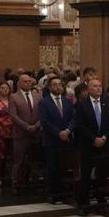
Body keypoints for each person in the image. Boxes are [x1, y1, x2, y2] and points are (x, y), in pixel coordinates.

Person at [71, 78, 109, 216]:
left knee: (102, 174)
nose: (98, 88)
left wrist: (104, 137)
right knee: (85, 174)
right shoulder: (81, 105)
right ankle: (83, 204)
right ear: (88, 89)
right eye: (95, 86)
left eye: (100, 86)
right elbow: (79, 125)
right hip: (87, 145)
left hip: (103, 144)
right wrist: (93, 139)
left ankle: (101, 202)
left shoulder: (106, 103)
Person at [38, 76, 74, 205]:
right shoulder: (44, 102)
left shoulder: (67, 101)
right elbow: (45, 122)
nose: (58, 87)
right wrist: (58, 133)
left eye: (60, 84)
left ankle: (63, 193)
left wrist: (68, 130)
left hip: (66, 139)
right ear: (49, 87)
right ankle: (52, 194)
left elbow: (73, 118)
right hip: (52, 140)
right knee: (52, 168)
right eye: (55, 84)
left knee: (64, 167)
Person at [8, 74, 41, 194]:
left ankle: (31, 181)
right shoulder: (14, 97)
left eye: (29, 81)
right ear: (19, 83)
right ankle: (15, 183)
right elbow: (13, 115)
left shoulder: (37, 96)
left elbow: (42, 113)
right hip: (21, 133)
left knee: (34, 159)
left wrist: (37, 125)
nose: (28, 83)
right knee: (19, 160)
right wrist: (26, 126)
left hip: (35, 132)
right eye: (25, 81)